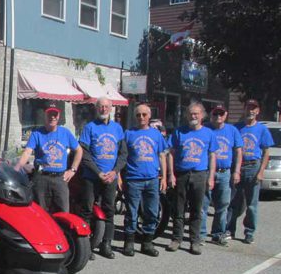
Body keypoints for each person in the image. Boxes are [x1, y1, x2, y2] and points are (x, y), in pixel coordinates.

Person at [78, 97, 127, 259]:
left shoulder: (118, 129)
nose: (104, 109)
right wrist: (98, 172)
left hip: (110, 178)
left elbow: (123, 154)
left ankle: (106, 244)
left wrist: (114, 172)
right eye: (101, 107)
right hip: (91, 177)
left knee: (109, 211)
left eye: (106, 106)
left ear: (111, 108)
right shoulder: (89, 128)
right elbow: (84, 153)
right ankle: (86, 247)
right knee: (86, 210)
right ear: (96, 108)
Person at [167, 102, 216, 255]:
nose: (193, 116)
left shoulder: (209, 133)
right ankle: (176, 239)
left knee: (197, 210)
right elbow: (170, 153)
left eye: (196, 113)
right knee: (178, 209)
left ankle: (194, 241)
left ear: (202, 115)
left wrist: (211, 177)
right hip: (181, 174)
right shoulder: (179, 132)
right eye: (191, 113)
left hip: (200, 174)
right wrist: (171, 174)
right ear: (187, 115)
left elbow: (212, 156)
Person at [15, 103, 82, 213]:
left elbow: (79, 150)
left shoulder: (65, 133)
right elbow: (27, 152)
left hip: (60, 179)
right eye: (50, 114)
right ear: (45, 115)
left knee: (63, 213)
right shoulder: (37, 133)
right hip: (41, 179)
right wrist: (16, 169)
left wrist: (73, 170)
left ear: (58, 116)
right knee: (41, 214)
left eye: (55, 114)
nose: (52, 117)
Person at [226, 99, 274, 244]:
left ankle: (249, 232)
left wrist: (261, 172)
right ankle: (229, 230)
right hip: (238, 167)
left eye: (253, 108)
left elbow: (266, 152)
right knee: (233, 201)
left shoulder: (262, 129)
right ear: (244, 109)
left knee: (251, 205)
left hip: (253, 167)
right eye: (248, 108)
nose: (250, 111)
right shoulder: (237, 128)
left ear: (257, 111)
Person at [122, 103, 167, 257]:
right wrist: (121, 177)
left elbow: (162, 156)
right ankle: (129, 242)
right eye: (138, 115)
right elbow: (122, 156)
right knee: (132, 213)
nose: (141, 117)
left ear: (149, 116)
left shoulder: (156, 135)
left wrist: (165, 177)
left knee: (152, 212)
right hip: (133, 179)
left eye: (144, 114)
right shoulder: (128, 134)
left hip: (152, 179)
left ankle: (147, 242)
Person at [200, 104, 243, 246]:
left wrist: (236, 171)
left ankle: (218, 234)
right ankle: (200, 234)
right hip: (206, 172)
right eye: (215, 113)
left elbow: (238, 151)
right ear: (211, 114)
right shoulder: (205, 129)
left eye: (221, 113)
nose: (218, 116)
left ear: (225, 115)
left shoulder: (232, 131)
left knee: (223, 205)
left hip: (225, 173)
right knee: (203, 204)